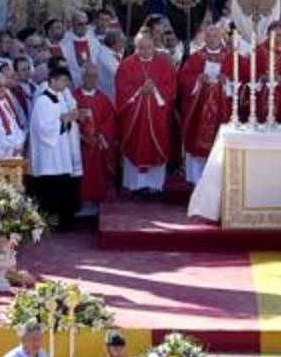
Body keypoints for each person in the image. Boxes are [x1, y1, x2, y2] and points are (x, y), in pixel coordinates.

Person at [114, 30, 176, 196]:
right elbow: (121, 88)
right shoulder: (127, 64)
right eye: (140, 47)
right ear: (136, 47)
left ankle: (155, 187)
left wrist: (155, 89)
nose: (144, 51)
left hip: (157, 116)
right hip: (134, 117)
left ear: (154, 46)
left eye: (148, 47)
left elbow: (171, 87)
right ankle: (135, 186)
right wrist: (139, 90)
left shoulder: (164, 64)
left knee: (156, 145)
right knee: (134, 145)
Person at [28, 67, 82, 228]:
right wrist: (63, 119)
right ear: (52, 80)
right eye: (63, 80)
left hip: (61, 149)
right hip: (49, 153)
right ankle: (51, 222)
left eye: (67, 80)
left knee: (63, 183)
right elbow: (43, 128)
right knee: (51, 186)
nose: (66, 84)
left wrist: (71, 118)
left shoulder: (61, 98)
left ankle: (64, 221)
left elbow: (63, 121)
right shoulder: (42, 101)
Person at [177, 24, 232, 182]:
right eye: (209, 36)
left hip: (222, 109)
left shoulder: (230, 57)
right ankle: (195, 179)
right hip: (198, 110)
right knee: (196, 141)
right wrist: (197, 79)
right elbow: (183, 79)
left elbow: (242, 78)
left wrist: (227, 81)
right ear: (204, 37)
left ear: (220, 37)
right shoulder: (196, 57)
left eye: (215, 36)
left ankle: (219, 178)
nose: (212, 39)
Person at [73, 63, 117, 213]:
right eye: (88, 75)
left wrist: (99, 136)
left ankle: (96, 201)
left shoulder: (103, 99)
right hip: (78, 145)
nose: (91, 79)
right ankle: (79, 203)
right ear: (82, 77)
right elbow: (69, 119)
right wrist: (82, 137)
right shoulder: (73, 97)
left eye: (94, 76)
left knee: (97, 173)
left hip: (97, 144)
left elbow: (109, 121)